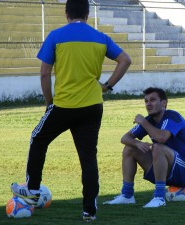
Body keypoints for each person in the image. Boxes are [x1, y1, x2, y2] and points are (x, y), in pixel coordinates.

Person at [11, 0, 131, 222]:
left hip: (64, 105)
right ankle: (89, 210)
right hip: (93, 106)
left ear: (66, 13)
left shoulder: (56, 36)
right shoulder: (101, 37)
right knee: (88, 157)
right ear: (87, 13)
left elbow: (45, 74)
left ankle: (33, 191)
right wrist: (107, 86)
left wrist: (49, 102)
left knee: (38, 139)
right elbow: (125, 60)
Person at [103, 87, 185, 208]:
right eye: (146, 101)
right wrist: (138, 143)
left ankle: (159, 197)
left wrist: (143, 122)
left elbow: (161, 138)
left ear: (163, 103)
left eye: (152, 100)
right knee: (130, 148)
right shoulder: (149, 120)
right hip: (166, 169)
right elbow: (125, 138)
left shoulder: (173, 117)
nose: (148, 104)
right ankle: (127, 195)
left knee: (158, 147)